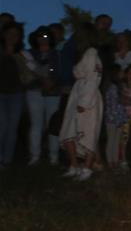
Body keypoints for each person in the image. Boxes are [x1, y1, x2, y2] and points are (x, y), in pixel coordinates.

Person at [60, 27, 103, 181]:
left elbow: (93, 78)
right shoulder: (84, 54)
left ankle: (87, 167)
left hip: (87, 97)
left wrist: (84, 102)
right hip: (77, 93)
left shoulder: (91, 53)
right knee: (69, 132)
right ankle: (74, 166)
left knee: (87, 132)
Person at [23, 26, 61, 165]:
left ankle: (53, 156)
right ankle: (35, 156)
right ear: (35, 38)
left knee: (52, 124)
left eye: (45, 36)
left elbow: (58, 72)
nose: (42, 39)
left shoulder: (56, 54)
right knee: (36, 124)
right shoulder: (29, 53)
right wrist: (41, 80)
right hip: (34, 92)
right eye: (40, 36)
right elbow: (27, 72)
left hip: (53, 93)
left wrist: (52, 83)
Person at [0, 22, 27, 167]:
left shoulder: (22, 53)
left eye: (16, 34)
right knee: (2, 125)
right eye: (10, 33)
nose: (12, 37)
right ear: (4, 35)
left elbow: (29, 72)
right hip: (0, 93)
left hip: (16, 94)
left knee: (12, 127)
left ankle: (7, 160)